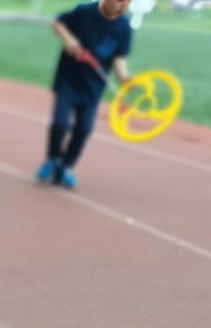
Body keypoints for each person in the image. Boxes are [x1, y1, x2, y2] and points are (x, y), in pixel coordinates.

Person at [36, 0, 133, 190]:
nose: (123, 6)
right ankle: (52, 159)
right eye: (120, 0)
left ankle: (66, 167)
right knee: (60, 124)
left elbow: (119, 57)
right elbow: (58, 23)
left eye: (128, 2)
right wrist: (69, 39)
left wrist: (124, 77)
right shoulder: (85, 11)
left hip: (93, 88)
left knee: (84, 129)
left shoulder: (124, 27)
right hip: (68, 80)